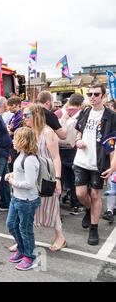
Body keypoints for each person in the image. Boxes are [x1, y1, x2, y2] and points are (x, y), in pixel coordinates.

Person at [74, 84, 116, 245]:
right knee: (80, 194)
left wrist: (112, 167)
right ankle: (89, 209)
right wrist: (78, 140)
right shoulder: (85, 111)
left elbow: (113, 147)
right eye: (90, 94)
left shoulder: (111, 117)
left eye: (96, 94)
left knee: (95, 195)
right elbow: (78, 131)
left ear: (103, 96)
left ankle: (94, 227)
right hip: (81, 161)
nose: (92, 97)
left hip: (99, 163)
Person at [23, 104, 67, 251]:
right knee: (26, 208)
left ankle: (60, 237)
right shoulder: (29, 132)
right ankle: (23, 239)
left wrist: (58, 180)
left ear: (36, 116)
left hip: (46, 176)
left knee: (51, 206)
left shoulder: (48, 132)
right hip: (31, 176)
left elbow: (56, 158)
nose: (24, 118)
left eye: (26, 115)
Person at [5, 127, 41, 271]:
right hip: (17, 197)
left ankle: (30, 257)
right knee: (11, 225)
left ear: (23, 141)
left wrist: (12, 181)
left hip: (27, 200)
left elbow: (29, 183)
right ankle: (22, 249)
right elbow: (21, 172)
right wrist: (12, 174)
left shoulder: (30, 159)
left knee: (25, 229)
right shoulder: (21, 155)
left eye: (15, 138)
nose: (12, 140)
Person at [55, 94, 85, 213]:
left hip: (58, 148)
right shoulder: (82, 114)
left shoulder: (59, 113)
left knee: (60, 177)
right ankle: (75, 204)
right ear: (81, 103)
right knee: (74, 178)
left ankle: (55, 204)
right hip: (73, 149)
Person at [7, 97, 24, 172]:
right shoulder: (14, 115)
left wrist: (9, 129)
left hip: (16, 145)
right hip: (13, 144)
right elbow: (9, 128)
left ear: (16, 105)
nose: (8, 107)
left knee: (14, 168)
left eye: (10, 105)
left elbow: (11, 131)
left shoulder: (19, 116)